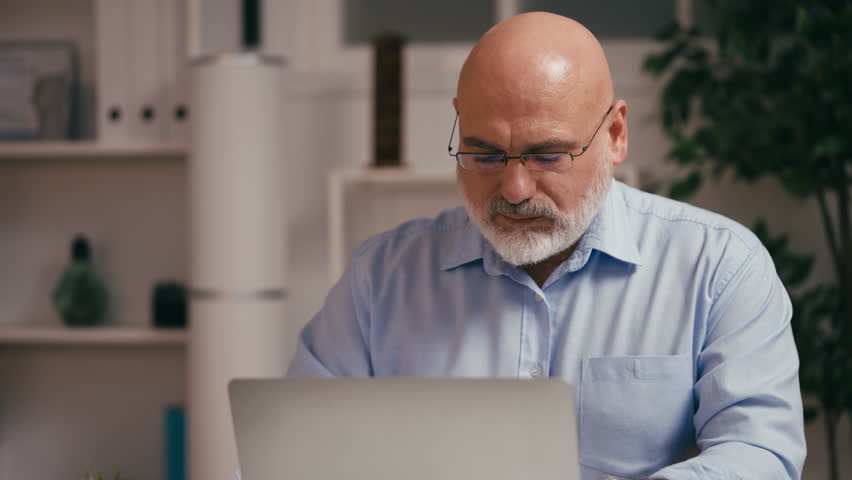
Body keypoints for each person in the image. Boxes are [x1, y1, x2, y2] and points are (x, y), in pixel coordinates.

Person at [288, 12, 806, 480]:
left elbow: (759, 454)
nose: (514, 190)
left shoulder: (719, 267)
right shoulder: (381, 278)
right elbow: (295, 452)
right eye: (484, 154)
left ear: (616, 135)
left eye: (547, 155)